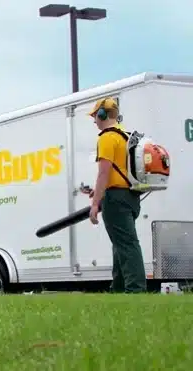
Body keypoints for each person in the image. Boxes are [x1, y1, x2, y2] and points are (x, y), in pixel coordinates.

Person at [86, 97, 146, 293]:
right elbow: (117, 171)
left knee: (127, 244)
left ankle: (135, 289)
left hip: (115, 200)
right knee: (120, 244)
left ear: (102, 115)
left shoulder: (106, 137)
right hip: (130, 196)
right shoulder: (125, 135)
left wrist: (95, 204)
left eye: (95, 116)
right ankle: (119, 289)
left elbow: (104, 171)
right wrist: (99, 190)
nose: (94, 120)